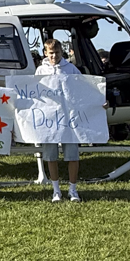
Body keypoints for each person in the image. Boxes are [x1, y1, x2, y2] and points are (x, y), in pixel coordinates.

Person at [35, 39, 84, 202]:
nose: (54, 56)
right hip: (48, 120)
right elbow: (33, 91)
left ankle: (73, 189)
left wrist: (99, 101)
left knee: (72, 155)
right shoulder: (41, 70)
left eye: (57, 52)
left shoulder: (71, 69)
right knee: (51, 156)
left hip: (69, 119)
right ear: (45, 53)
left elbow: (85, 88)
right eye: (51, 53)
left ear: (61, 52)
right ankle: (56, 190)